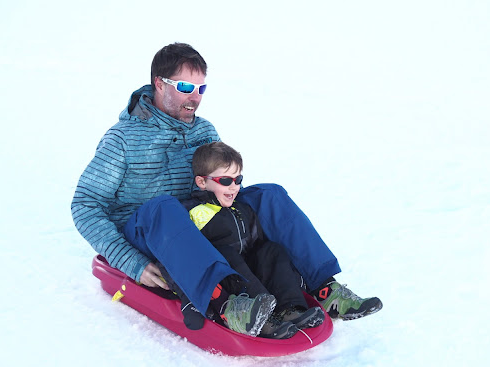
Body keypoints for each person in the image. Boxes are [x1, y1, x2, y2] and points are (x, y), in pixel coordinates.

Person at [71, 42, 382, 334]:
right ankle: (225, 304)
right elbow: (85, 205)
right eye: (184, 87)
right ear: (159, 83)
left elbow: (219, 179)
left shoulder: (204, 131)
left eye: (200, 88)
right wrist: (131, 261)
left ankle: (325, 288)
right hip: (150, 230)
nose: (194, 96)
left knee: (269, 195)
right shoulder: (123, 140)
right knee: (164, 207)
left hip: (198, 219)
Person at [182, 141, 327, 339]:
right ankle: (260, 317)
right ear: (201, 182)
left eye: (238, 179)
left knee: (271, 250)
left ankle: (290, 308)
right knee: (227, 253)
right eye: (225, 181)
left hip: (247, 272)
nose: (234, 187)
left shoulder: (242, 209)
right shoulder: (194, 212)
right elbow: (185, 254)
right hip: (224, 280)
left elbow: (258, 244)